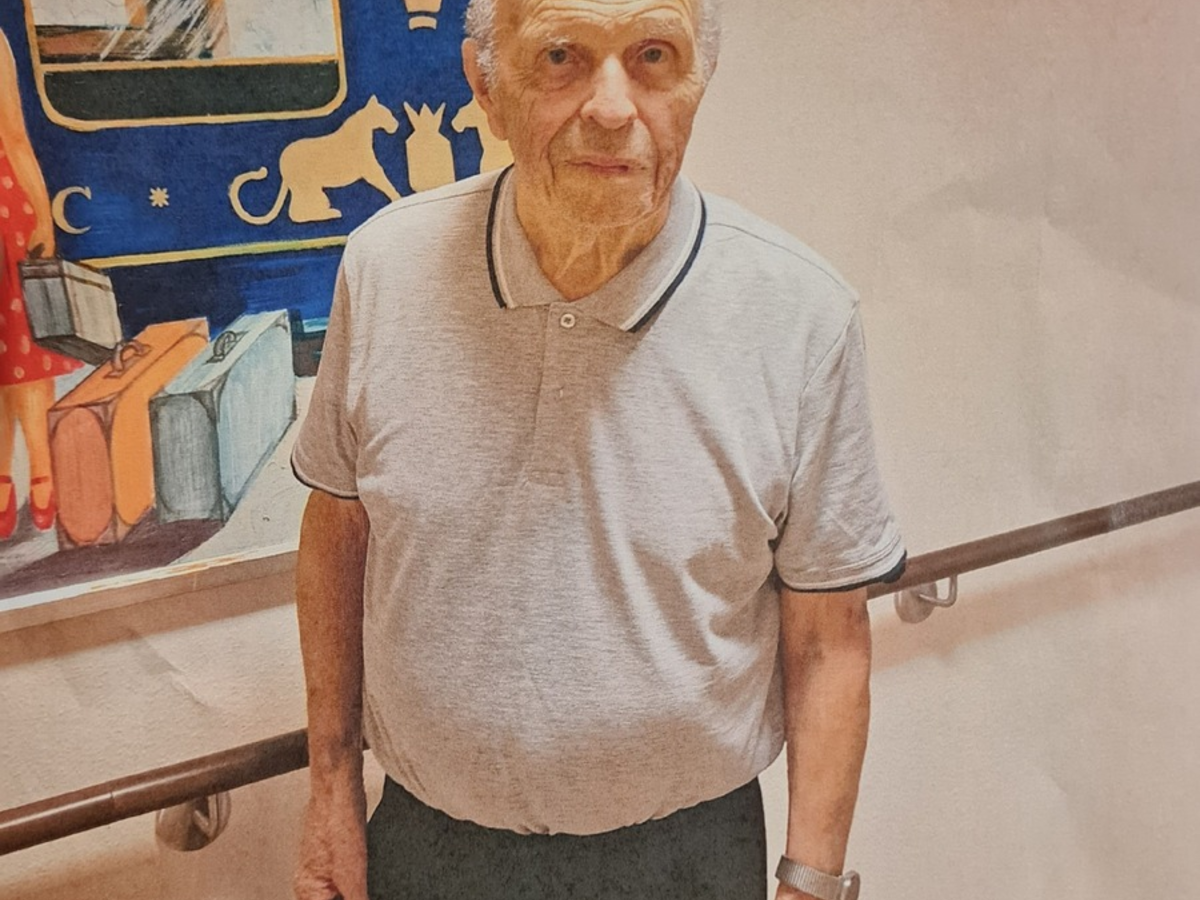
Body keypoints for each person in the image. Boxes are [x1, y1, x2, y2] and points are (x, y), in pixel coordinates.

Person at [290, 1, 906, 898]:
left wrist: (811, 885)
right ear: (484, 85)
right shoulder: (386, 267)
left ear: (699, 83)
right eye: (561, 57)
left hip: (686, 859)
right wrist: (330, 789)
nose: (613, 107)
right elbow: (337, 533)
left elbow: (828, 639)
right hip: (429, 848)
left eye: (654, 56)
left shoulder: (801, 316)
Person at [0, 28, 80, 540]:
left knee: (13, 354)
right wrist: (43, 222)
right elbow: (13, 136)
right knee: (22, 352)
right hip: (6, 205)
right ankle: (42, 476)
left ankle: (9, 482)